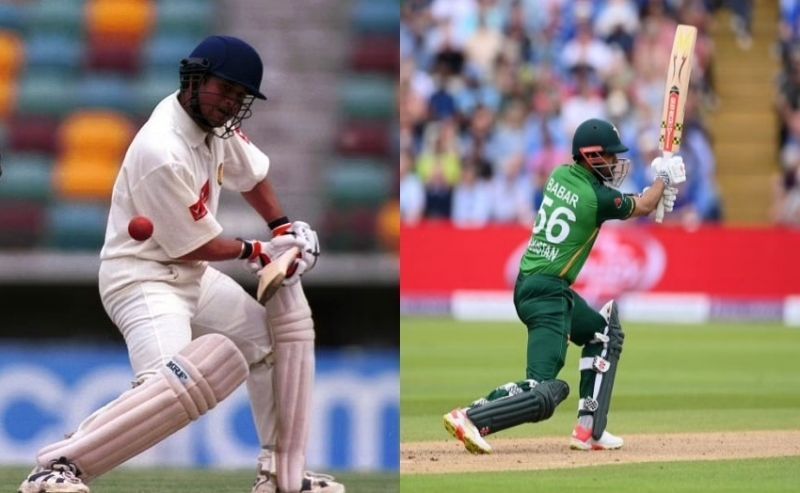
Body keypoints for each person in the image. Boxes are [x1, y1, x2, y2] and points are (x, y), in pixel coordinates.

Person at [17, 36, 343, 493]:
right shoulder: (161, 148)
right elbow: (195, 245)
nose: (230, 103)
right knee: (167, 384)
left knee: (268, 344)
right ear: (193, 79)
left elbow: (254, 175)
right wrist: (258, 250)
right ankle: (58, 467)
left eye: (238, 96)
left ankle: (277, 476)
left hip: (191, 277)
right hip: (142, 276)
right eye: (223, 89)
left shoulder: (217, 127)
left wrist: (283, 227)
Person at [442, 118, 685, 453]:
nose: (615, 163)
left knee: (603, 334)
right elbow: (641, 206)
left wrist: (657, 191)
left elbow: (636, 202)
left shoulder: (559, 175)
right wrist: (664, 179)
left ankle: (590, 429)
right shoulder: (594, 197)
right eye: (610, 157)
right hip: (547, 292)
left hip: (535, 284)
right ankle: (471, 416)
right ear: (591, 156)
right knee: (543, 389)